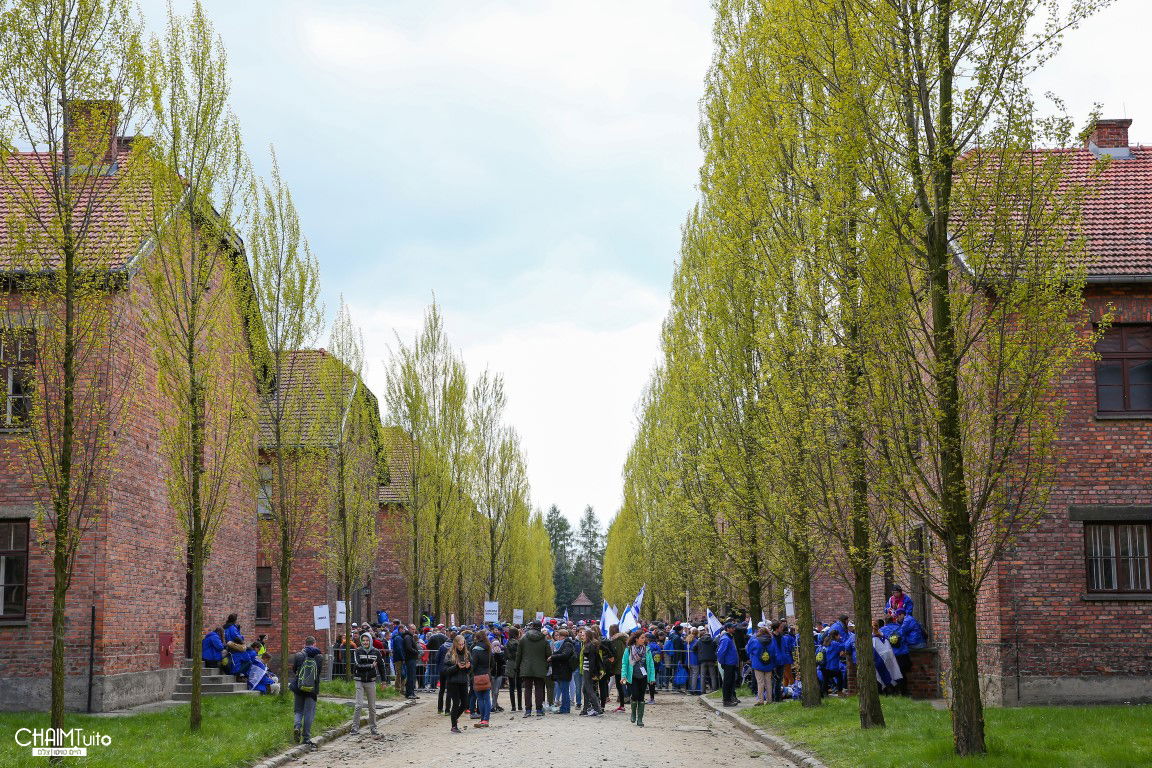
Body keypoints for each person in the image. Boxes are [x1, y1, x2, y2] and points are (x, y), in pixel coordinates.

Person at [290, 636, 324, 747]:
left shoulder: (299, 655)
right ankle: (306, 737)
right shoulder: (319, 656)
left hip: (299, 687)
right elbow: (318, 673)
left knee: (298, 710)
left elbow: (294, 669)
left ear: (305, 643)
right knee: (309, 713)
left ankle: (297, 726)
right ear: (314, 643)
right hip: (312, 689)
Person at [350, 632, 386, 736]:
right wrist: (371, 666)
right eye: (363, 640)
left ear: (370, 641)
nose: (365, 642)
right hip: (359, 680)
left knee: (372, 706)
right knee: (359, 705)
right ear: (361, 641)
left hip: (371, 681)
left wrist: (384, 681)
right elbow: (357, 665)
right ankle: (354, 728)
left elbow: (381, 666)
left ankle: (373, 728)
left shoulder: (376, 652)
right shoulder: (357, 651)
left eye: (367, 640)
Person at [621, 631, 655, 727]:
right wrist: (623, 676)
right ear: (636, 639)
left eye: (644, 638)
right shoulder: (628, 650)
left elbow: (651, 664)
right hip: (632, 677)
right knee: (635, 695)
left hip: (643, 677)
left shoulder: (647, 650)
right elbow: (624, 663)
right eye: (642, 638)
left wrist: (652, 677)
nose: (644, 640)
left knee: (641, 697)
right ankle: (633, 713)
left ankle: (640, 719)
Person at [516, 621, 550, 718]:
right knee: (539, 688)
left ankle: (528, 710)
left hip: (526, 667)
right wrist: (546, 665)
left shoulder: (523, 639)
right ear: (540, 627)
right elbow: (548, 654)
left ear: (532, 626)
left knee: (527, 689)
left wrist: (517, 667)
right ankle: (539, 710)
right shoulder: (544, 639)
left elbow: (519, 654)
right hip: (540, 667)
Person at [441, 634, 471, 734]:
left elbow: (469, 671)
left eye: (463, 644)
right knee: (456, 703)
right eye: (459, 644)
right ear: (455, 644)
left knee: (465, 703)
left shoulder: (467, 653)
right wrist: (457, 667)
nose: (461, 646)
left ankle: (454, 718)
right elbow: (445, 671)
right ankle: (454, 726)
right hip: (453, 682)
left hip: (463, 681)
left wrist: (468, 667)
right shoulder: (450, 654)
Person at [880, 614, 910, 694]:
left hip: (890, 655)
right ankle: (903, 692)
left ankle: (893, 692)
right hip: (902, 654)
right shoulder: (900, 628)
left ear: (885, 622)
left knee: (891, 673)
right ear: (893, 620)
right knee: (902, 673)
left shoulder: (882, 630)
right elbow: (905, 639)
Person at [548, 628, 575, 713]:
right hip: (561, 670)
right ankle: (564, 708)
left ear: (562, 636)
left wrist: (553, 657)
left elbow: (565, 655)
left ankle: (565, 708)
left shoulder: (567, 644)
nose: (557, 637)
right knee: (564, 690)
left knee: (565, 690)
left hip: (564, 670)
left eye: (558, 635)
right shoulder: (562, 644)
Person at [578, 630, 605, 716]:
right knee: (585, 690)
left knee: (589, 690)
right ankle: (585, 709)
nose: (582, 636)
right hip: (587, 670)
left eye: (583, 635)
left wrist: (592, 672)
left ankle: (597, 709)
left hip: (588, 670)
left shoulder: (590, 646)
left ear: (588, 636)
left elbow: (592, 661)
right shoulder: (588, 645)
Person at [470, 632, 493, 728]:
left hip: (477, 676)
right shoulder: (489, 648)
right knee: (487, 698)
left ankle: (482, 718)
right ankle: (486, 719)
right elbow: (492, 663)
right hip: (487, 675)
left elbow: (473, 664)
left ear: (477, 638)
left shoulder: (475, 650)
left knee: (480, 698)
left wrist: (470, 672)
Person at [746, 625, 773, 705]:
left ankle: (761, 700)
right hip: (769, 664)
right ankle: (769, 700)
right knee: (768, 682)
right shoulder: (772, 640)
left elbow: (748, 650)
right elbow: (774, 652)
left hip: (757, 664)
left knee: (760, 682)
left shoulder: (755, 640)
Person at [717, 623, 740, 707]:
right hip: (728, 664)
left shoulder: (729, 638)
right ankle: (726, 700)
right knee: (727, 682)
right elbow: (721, 652)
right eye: (732, 628)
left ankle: (729, 699)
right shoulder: (725, 639)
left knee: (731, 682)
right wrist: (722, 663)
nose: (734, 629)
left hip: (731, 663)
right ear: (728, 629)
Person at [608, 624, 629, 711]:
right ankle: (622, 704)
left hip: (619, 667)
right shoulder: (621, 640)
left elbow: (618, 655)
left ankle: (622, 704)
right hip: (621, 666)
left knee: (620, 685)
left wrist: (612, 662)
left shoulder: (617, 641)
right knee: (621, 685)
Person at [696, 627, 719, 694]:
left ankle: (703, 690)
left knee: (703, 676)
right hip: (711, 660)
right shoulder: (713, 641)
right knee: (713, 675)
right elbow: (715, 648)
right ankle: (714, 689)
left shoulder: (699, 641)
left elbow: (694, 648)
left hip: (702, 660)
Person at [505, 626, 522, 712]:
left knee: (511, 687)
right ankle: (520, 706)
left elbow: (505, 655)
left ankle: (513, 706)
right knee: (519, 686)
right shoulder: (518, 643)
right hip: (518, 664)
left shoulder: (507, 643)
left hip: (510, 664)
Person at [402, 624, 420, 699]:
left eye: (415, 629)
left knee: (412, 676)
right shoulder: (408, 637)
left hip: (411, 659)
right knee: (411, 677)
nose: (414, 631)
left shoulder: (409, 637)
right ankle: (410, 693)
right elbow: (408, 648)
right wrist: (416, 652)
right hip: (410, 659)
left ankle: (411, 692)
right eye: (412, 629)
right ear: (409, 629)